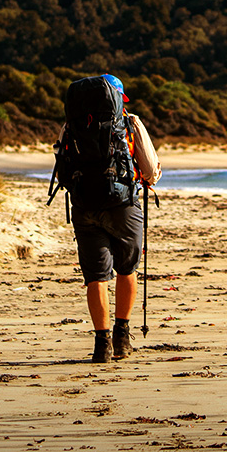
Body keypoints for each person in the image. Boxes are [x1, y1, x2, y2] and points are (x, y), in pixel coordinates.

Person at [70, 74, 161, 363]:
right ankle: (122, 338)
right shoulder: (130, 122)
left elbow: (62, 166)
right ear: (118, 98)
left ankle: (102, 345)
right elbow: (149, 170)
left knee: (96, 277)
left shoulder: (73, 123)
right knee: (126, 269)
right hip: (123, 206)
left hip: (84, 206)